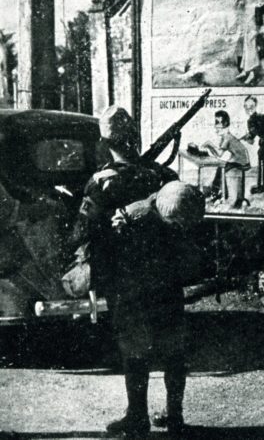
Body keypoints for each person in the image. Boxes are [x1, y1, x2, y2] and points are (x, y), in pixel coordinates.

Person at [70, 106, 180, 438]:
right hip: (166, 273)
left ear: (105, 142)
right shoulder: (164, 176)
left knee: (134, 346)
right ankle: (175, 416)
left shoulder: (102, 181)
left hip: (127, 277)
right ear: (134, 136)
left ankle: (137, 416)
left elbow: (81, 232)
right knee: (173, 345)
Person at [110, 180, 206, 438]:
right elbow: (115, 255)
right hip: (136, 297)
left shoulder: (181, 204)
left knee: (174, 356)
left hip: (166, 294)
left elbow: (188, 255)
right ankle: (137, 417)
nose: (182, 229)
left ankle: (175, 417)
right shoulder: (134, 216)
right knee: (136, 357)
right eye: (177, 224)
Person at [201, 109, 251, 207]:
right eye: (216, 123)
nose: (217, 127)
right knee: (220, 168)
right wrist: (209, 147)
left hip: (241, 161)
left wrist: (209, 144)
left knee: (222, 169)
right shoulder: (225, 137)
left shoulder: (227, 137)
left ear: (225, 124)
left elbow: (219, 153)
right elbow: (219, 154)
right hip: (237, 158)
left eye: (219, 123)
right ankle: (216, 192)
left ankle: (216, 193)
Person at [234, 0, 262, 85]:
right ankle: (245, 71)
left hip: (251, 34)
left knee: (251, 55)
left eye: (242, 5)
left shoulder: (252, 12)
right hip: (247, 35)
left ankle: (252, 74)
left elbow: (257, 25)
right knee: (245, 54)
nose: (240, 7)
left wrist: (253, 33)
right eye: (239, 5)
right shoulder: (240, 15)